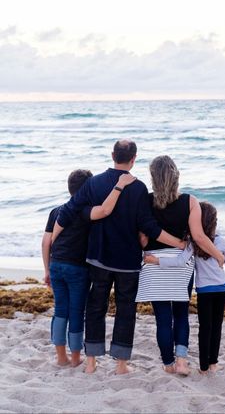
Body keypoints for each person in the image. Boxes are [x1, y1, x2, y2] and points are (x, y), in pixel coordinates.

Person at [52, 140, 185, 375]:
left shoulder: (94, 183)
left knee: (95, 308)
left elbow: (69, 210)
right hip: (127, 261)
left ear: (112, 154)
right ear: (134, 158)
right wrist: (180, 244)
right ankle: (121, 365)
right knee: (125, 311)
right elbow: (149, 226)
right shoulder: (139, 188)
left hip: (98, 258)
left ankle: (91, 362)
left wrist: (53, 239)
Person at [136, 156, 225, 375]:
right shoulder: (190, 201)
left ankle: (168, 364)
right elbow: (199, 237)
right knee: (181, 313)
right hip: (180, 264)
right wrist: (219, 257)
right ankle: (182, 361)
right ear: (176, 176)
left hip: (154, 265)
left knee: (163, 318)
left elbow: (143, 241)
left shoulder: (146, 201)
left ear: (153, 178)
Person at [42, 169, 136, 367]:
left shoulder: (57, 210)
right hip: (77, 269)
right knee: (76, 312)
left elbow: (46, 242)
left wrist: (47, 270)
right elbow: (104, 210)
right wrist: (120, 186)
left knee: (60, 311)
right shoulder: (85, 212)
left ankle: (61, 357)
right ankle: (76, 358)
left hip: (57, 265)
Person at [145, 201, 225, 374]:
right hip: (222, 288)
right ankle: (213, 364)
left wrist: (156, 260)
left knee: (205, 328)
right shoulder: (221, 241)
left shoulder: (193, 243)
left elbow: (179, 261)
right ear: (214, 222)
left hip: (204, 291)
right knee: (217, 327)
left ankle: (202, 367)